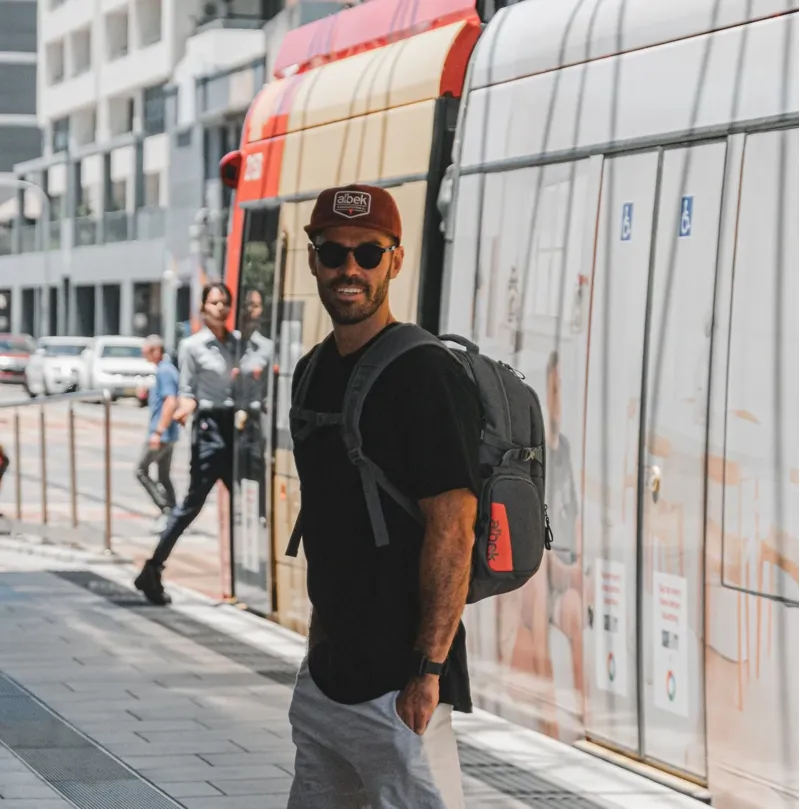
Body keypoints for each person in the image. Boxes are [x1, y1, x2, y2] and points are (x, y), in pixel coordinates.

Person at [287, 184, 481, 809]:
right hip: (326, 677)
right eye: (334, 253)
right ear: (312, 259)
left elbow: (454, 527)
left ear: (395, 261)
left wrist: (426, 674)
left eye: (368, 254)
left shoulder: (425, 374)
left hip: (400, 690)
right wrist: (317, 644)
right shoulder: (312, 370)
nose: (349, 270)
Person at [134, 282, 240, 606]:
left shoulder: (240, 344)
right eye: (213, 303)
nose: (219, 308)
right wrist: (182, 410)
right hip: (209, 430)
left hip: (239, 429)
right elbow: (187, 391)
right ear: (204, 309)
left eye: (224, 302)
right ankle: (152, 570)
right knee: (191, 506)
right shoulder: (192, 346)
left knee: (252, 504)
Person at [510, 350, 585, 733]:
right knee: (538, 584)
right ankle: (548, 714)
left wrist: (577, 567)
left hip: (562, 567)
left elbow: (572, 512)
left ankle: (586, 715)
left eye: (563, 389)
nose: (560, 398)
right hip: (536, 568)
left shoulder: (566, 449)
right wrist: (558, 564)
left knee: (575, 608)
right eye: (554, 389)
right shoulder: (531, 450)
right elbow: (531, 522)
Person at [135, 335, 179, 534]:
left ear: (156, 351)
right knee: (163, 476)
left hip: (161, 433)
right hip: (166, 433)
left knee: (141, 470)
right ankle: (175, 513)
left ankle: (166, 509)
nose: (143, 354)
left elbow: (171, 401)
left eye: (146, 351)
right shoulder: (164, 370)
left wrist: (158, 431)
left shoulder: (165, 371)